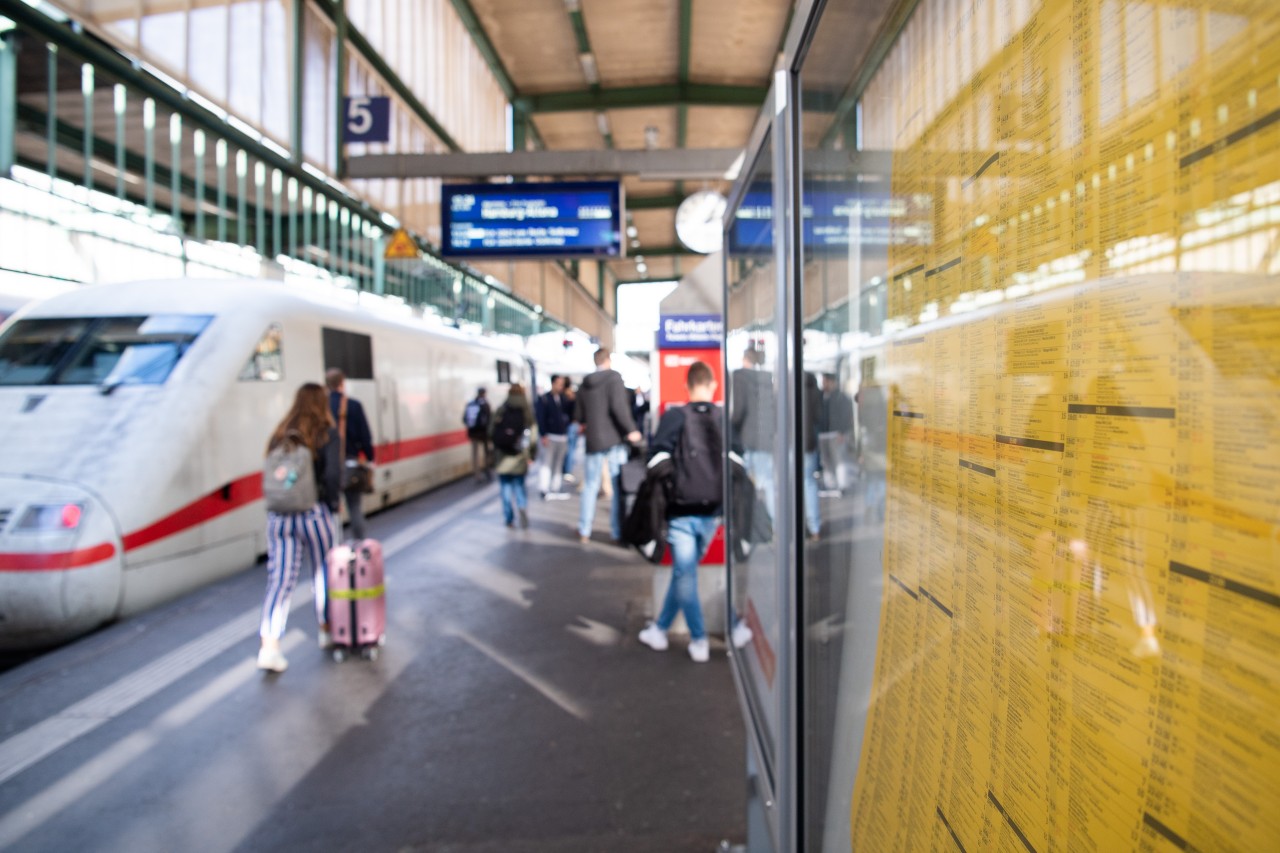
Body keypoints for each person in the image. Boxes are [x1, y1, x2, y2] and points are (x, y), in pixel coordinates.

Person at [636, 361, 724, 663]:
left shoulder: (675, 416)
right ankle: (659, 629)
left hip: (681, 510)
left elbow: (654, 460)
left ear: (687, 386)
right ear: (712, 385)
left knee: (685, 575)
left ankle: (698, 639)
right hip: (714, 511)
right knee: (684, 573)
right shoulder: (722, 417)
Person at [258, 382, 341, 673]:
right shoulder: (325, 433)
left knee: (280, 580)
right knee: (323, 573)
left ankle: (269, 647)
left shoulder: (279, 435)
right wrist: (332, 504)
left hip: (279, 517)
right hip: (313, 514)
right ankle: (327, 630)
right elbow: (332, 475)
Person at [574, 348, 641, 544]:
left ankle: (584, 529)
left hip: (593, 440)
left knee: (590, 485)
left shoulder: (584, 384)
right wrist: (631, 430)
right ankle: (617, 531)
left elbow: (578, 416)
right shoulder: (614, 379)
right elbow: (619, 408)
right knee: (617, 485)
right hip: (614, 440)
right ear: (609, 360)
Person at [326, 368, 375, 541]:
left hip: (327, 466)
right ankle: (360, 544)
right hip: (351, 464)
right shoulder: (354, 405)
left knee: (330, 510)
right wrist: (370, 459)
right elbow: (365, 436)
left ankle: (334, 548)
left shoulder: (322, 406)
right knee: (354, 507)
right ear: (342, 383)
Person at [730, 345, 776, 519]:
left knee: (743, 483)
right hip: (765, 438)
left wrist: (730, 428)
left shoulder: (740, 376)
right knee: (768, 483)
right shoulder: (767, 377)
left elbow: (739, 409)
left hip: (746, 438)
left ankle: (746, 521)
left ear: (745, 360)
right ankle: (773, 522)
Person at [491, 383, 538, 528]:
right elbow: (533, 436)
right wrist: (532, 454)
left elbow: (491, 431)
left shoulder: (501, 409)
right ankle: (522, 508)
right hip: (519, 456)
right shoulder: (526, 412)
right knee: (519, 486)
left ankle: (509, 518)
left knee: (505, 488)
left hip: (502, 456)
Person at [535, 374, 572, 499]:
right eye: (559, 384)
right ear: (553, 383)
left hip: (562, 436)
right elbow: (540, 418)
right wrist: (543, 434)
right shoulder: (544, 399)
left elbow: (570, 414)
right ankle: (544, 488)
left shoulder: (563, 398)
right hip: (550, 436)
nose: (561, 386)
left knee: (558, 464)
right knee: (547, 464)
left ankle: (555, 487)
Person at [818, 373, 854, 492]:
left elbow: (847, 416)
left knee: (840, 459)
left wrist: (843, 432)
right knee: (826, 460)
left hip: (836, 433)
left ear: (832, 382)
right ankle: (831, 484)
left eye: (825, 381)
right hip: (823, 434)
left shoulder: (841, 397)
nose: (823, 384)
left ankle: (843, 484)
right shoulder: (822, 396)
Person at [802, 371, 822, 541]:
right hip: (809, 443)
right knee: (809, 484)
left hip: (791, 444)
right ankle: (814, 528)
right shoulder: (815, 390)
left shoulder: (786, 387)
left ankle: (795, 527)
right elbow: (818, 417)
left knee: (790, 486)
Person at [463, 387, 491, 482]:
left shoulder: (470, 403)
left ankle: (477, 474)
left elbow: (464, 419)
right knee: (486, 452)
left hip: (473, 433)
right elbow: (489, 418)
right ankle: (487, 470)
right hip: (483, 433)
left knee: (475, 454)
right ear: (484, 393)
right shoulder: (485, 404)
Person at [562, 381, 580, 484]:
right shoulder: (570, 397)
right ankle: (567, 470)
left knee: (570, 449)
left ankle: (567, 470)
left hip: (571, 425)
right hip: (572, 425)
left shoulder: (567, 397)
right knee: (570, 449)